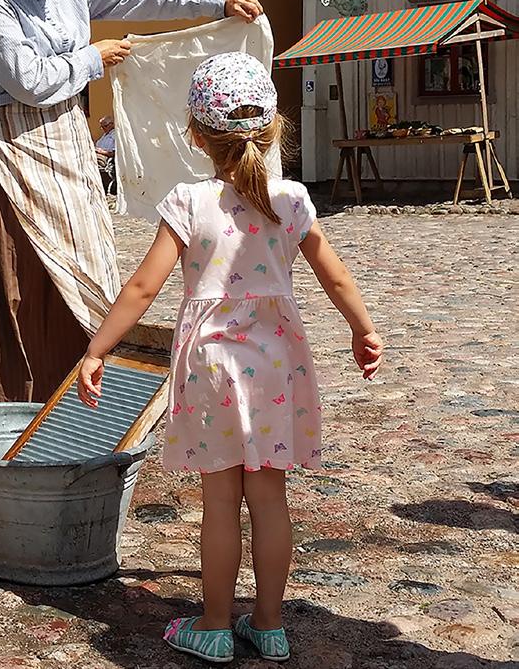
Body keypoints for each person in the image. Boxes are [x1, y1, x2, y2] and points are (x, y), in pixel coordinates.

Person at [76, 53, 383, 664]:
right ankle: (268, 626)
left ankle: (214, 625)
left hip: (211, 366)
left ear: (195, 134)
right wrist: (363, 329)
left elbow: (142, 287)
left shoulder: (188, 203)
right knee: (270, 498)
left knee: (220, 501)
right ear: (274, 129)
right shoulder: (293, 200)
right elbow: (335, 275)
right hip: (277, 364)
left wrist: (97, 348)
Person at [0, 0, 264, 404]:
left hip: (68, 134)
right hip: (11, 141)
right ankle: (18, 392)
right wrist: (93, 58)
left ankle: (88, 376)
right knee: (24, 267)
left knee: (87, 256)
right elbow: (29, 80)